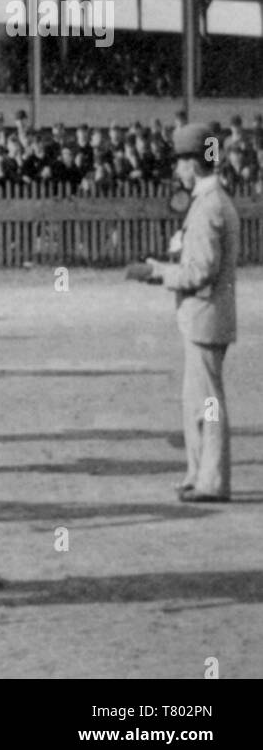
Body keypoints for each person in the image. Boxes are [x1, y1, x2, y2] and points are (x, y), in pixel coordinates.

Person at [135, 123, 240, 502]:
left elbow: (201, 271)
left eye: (180, 162)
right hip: (205, 315)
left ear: (194, 164)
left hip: (205, 315)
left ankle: (211, 480)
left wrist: (158, 273)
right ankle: (200, 474)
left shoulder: (208, 206)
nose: (177, 170)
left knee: (208, 403)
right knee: (197, 402)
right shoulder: (211, 200)